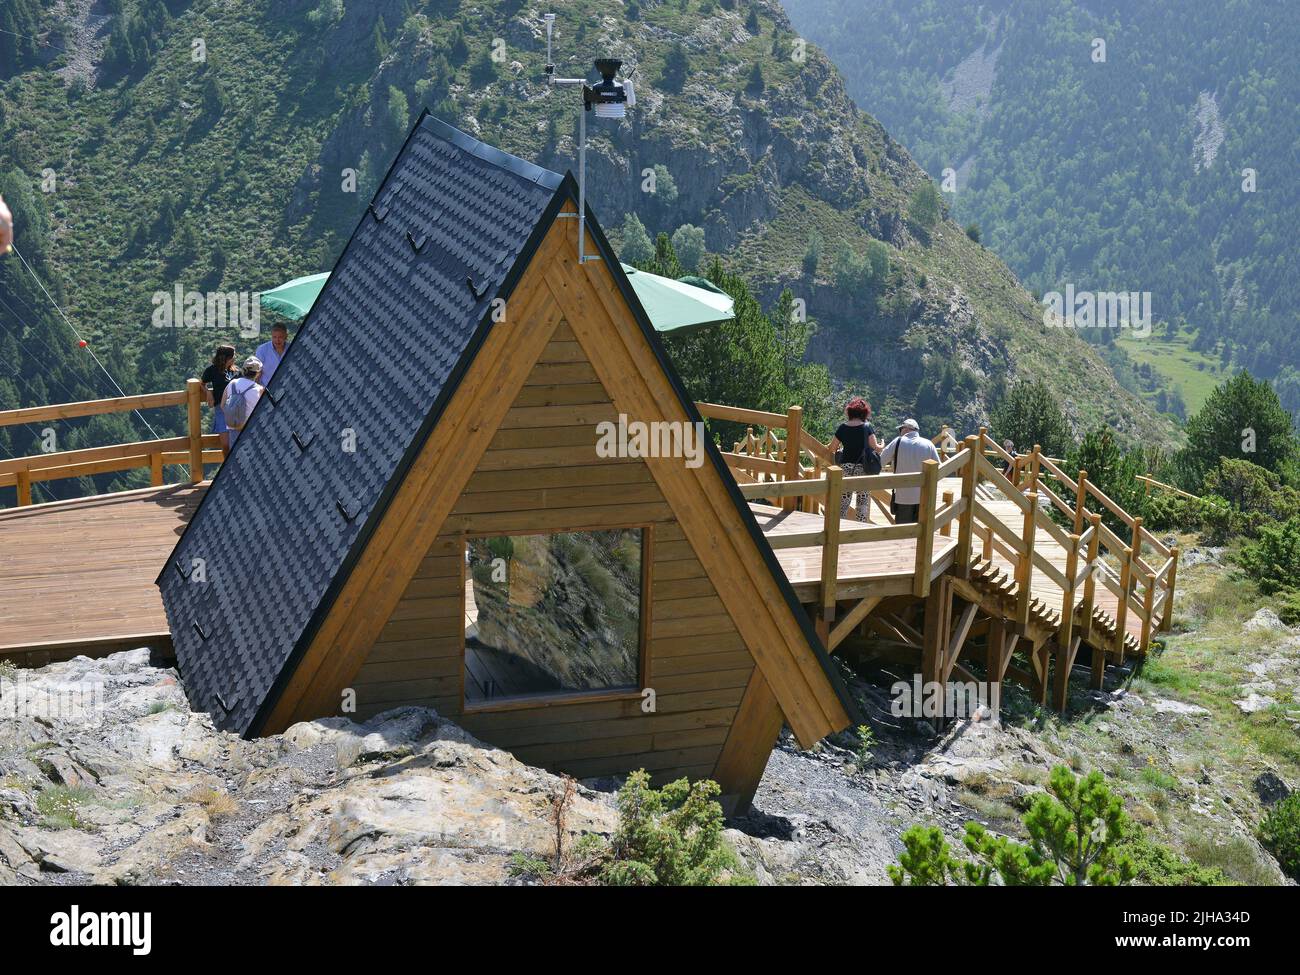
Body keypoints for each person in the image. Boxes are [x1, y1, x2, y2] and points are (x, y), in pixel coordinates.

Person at [827, 396, 881, 522]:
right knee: (862, 502)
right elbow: (875, 447)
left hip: (846, 468)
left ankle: (839, 527)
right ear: (864, 413)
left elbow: (831, 448)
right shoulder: (867, 427)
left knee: (843, 501)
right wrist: (882, 445)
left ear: (850, 412)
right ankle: (860, 529)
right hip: (863, 468)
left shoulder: (842, 427)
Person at [879, 418, 940, 524]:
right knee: (922, 532)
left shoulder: (898, 441)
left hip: (903, 497)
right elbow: (938, 469)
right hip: (924, 497)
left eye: (901, 429)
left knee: (903, 533)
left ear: (905, 429)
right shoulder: (928, 444)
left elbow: (880, 462)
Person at [201, 345, 237, 457]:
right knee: (225, 444)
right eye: (233, 356)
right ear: (227, 358)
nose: (235, 358)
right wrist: (208, 394)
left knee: (235, 442)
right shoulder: (212, 370)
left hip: (235, 409)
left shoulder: (235, 371)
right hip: (221, 409)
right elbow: (202, 383)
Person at [221, 357, 264, 449]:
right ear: (258, 373)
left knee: (234, 456)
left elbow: (222, 405)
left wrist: (233, 416)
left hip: (233, 428)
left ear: (243, 370)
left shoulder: (232, 383)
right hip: (251, 429)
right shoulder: (259, 389)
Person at [254, 322, 289, 387]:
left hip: (287, 388)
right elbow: (257, 372)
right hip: (266, 389)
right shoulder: (262, 350)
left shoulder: (291, 348)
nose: (277, 340)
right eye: (274, 337)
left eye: (280, 337)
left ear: (286, 336)